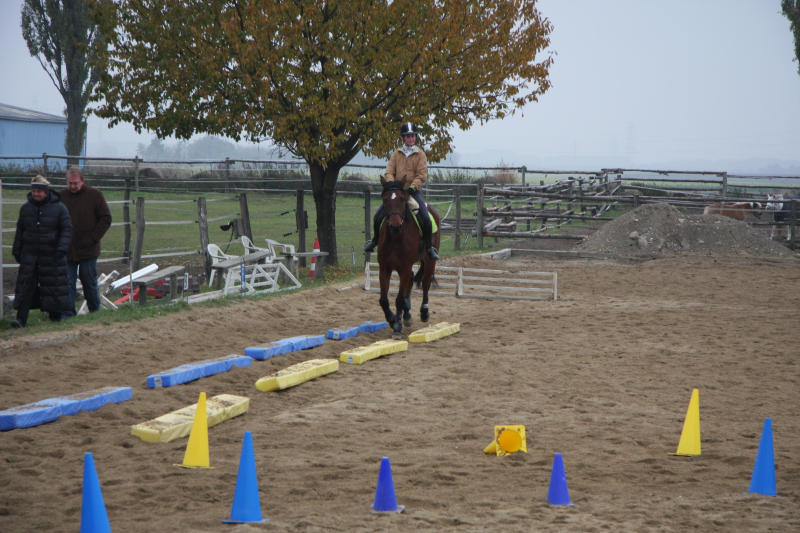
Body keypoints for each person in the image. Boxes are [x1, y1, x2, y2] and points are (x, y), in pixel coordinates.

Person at [364, 122, 440, 260]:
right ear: (403, 138)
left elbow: (422, 175)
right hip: (396, 191)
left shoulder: (420, 154)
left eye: (412, 136)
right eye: (407, 136)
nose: (410, 139)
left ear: (415, 137)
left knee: (426, 218)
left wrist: (412, 187)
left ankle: (429, 248)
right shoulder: (396, 154)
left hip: (412, 191)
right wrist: (392, 184)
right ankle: (374, 241)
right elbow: (389, 171)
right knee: (378, 216)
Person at [11, 176, 73, 327]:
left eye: (39, 191)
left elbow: (66, 230)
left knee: (53, 288)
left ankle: (55, 318)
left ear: (46, 192)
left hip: (52, 255)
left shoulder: (59, 208)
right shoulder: (26, 208)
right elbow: (20, 230)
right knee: (26, 287)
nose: (36, 194)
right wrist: (17, 249)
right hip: (30, 255)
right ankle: (21, 319)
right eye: (34, 191)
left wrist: (61, 249)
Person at [60, 166, 112, 316]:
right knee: (67, 282)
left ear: (82, 181)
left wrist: (93, 238)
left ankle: (94, 311)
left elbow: (106, 218)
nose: (73, 186)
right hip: (68, 248)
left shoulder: (94, 195)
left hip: (89, 248)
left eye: (75, 183)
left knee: (88, 280)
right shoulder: (61, 196)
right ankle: (68, 314)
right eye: (70, 183)